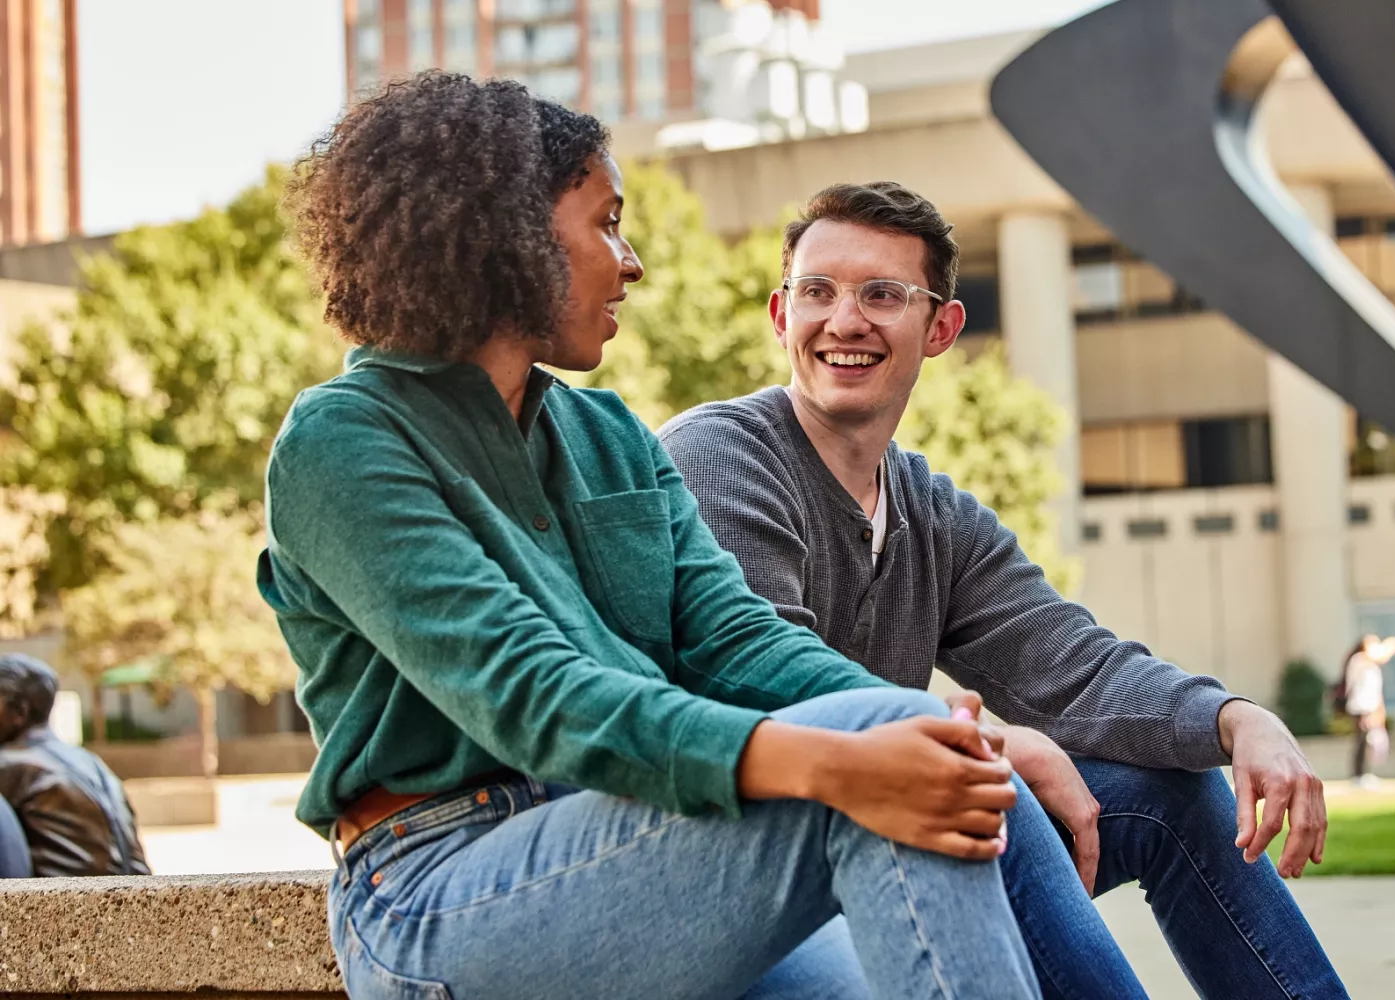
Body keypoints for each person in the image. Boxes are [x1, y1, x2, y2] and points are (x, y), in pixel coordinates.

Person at [261, 73, 1134, 1000]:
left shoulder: (609, 436)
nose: (630, 262)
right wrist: (850, 751)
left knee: (935, 754)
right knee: (891, 761)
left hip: (644, 842)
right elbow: (533, 694)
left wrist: (949, 731)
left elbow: (738, 641)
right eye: (607, 224)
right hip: (436, 889)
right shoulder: (343, 440)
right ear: (506, 233)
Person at [660, 181, 1347, 1000]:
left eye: (882, 295)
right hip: (746, 869)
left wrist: (1238, 720)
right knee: (991, 786)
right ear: (781, 315)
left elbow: (1074, 667)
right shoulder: (719, 456)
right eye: (818, 291)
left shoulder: (932, 513)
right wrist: (988, 741)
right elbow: (760, 680)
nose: (844, 320)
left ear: (941, 328)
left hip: (890, 828)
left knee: (1173, 790)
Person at [0, 653, 150, 878]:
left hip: (63, 898)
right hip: (139, 894)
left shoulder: (12, 765)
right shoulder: (90, 761)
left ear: (19, 711)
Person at [1342, 636, 1395, 790]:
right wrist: (1390, 646)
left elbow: (1376, 691)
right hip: (1360, 707)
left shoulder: (1373, 666)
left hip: (1370, 707)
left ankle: (1365, 773)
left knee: (1369, 742)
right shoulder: (1359, 659)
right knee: (1361, 741)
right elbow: (1377, 656)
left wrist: (1380, 710)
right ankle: (1358, 775)